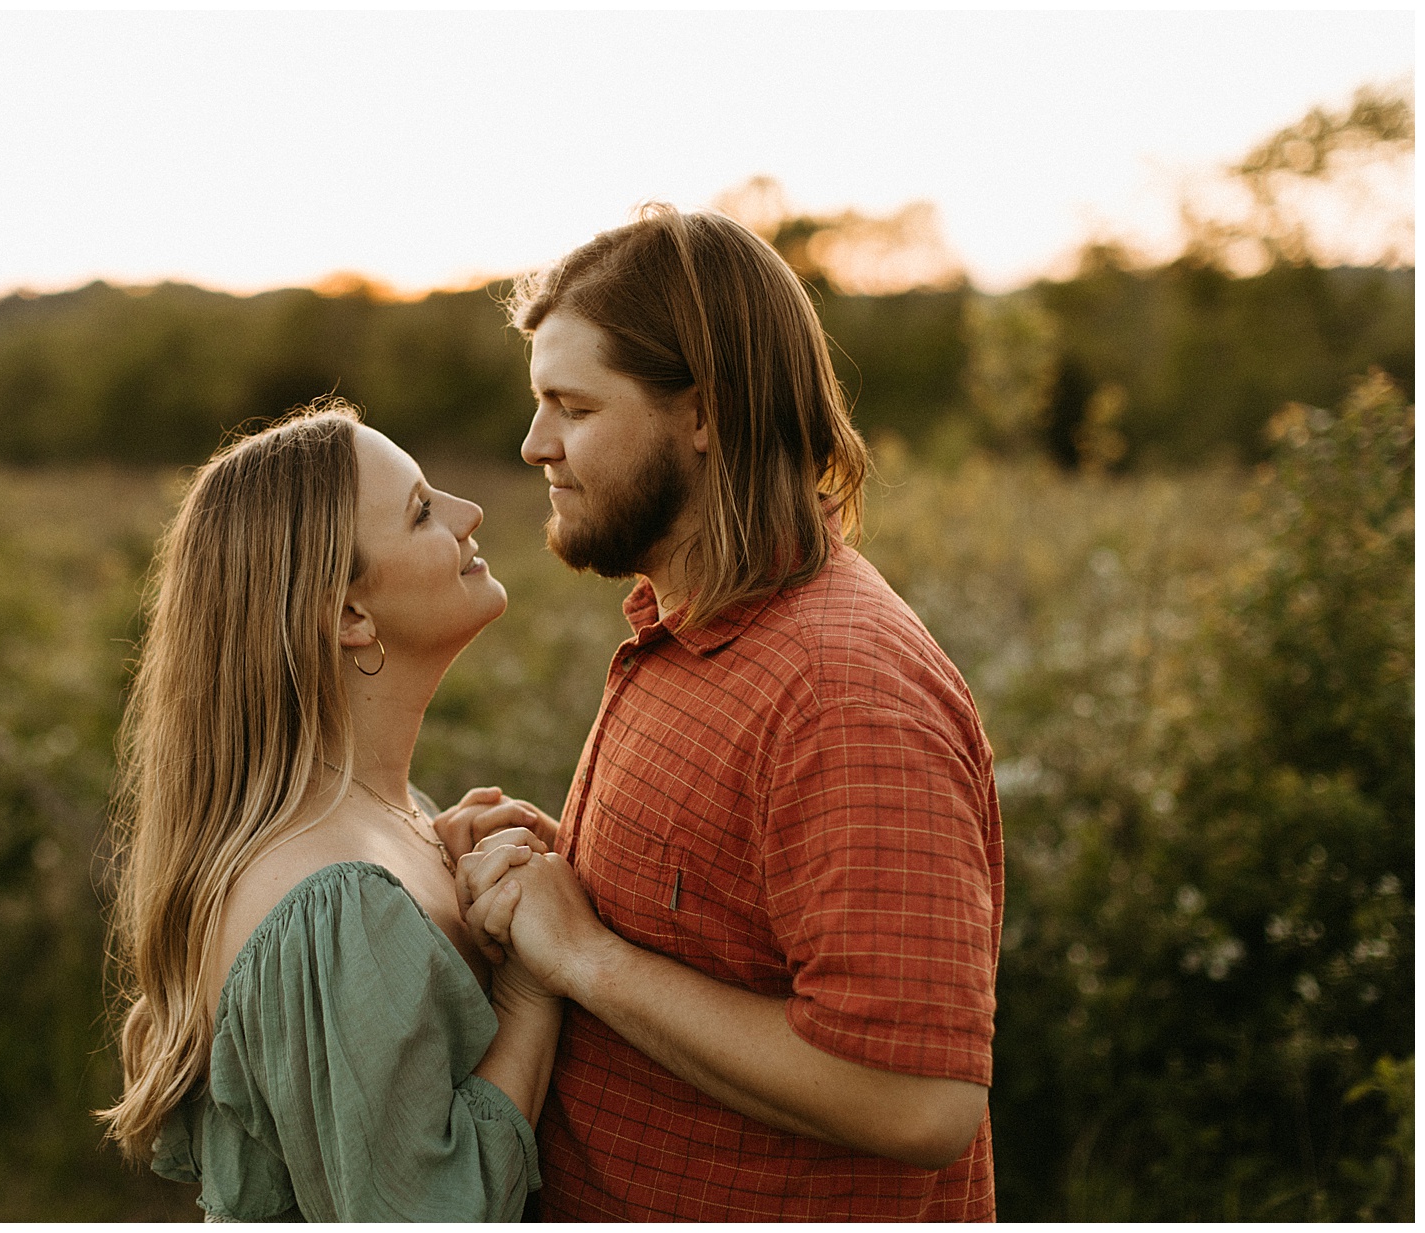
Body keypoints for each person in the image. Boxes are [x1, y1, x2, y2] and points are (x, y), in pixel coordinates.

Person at [453, 206, 1006, 1221]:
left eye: (572, 407)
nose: (535, 445)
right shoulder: (687, 627)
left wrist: (589, 958)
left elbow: (920, 1102)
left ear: (704, 414)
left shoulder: (845, 693)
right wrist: (549, 874)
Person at [97, 401, 561, 1221]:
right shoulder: (333, 906)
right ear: (349, 616)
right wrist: (531, 986)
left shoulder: (391, 821)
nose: (469, 513)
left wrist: (440, 874)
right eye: (422, 510)